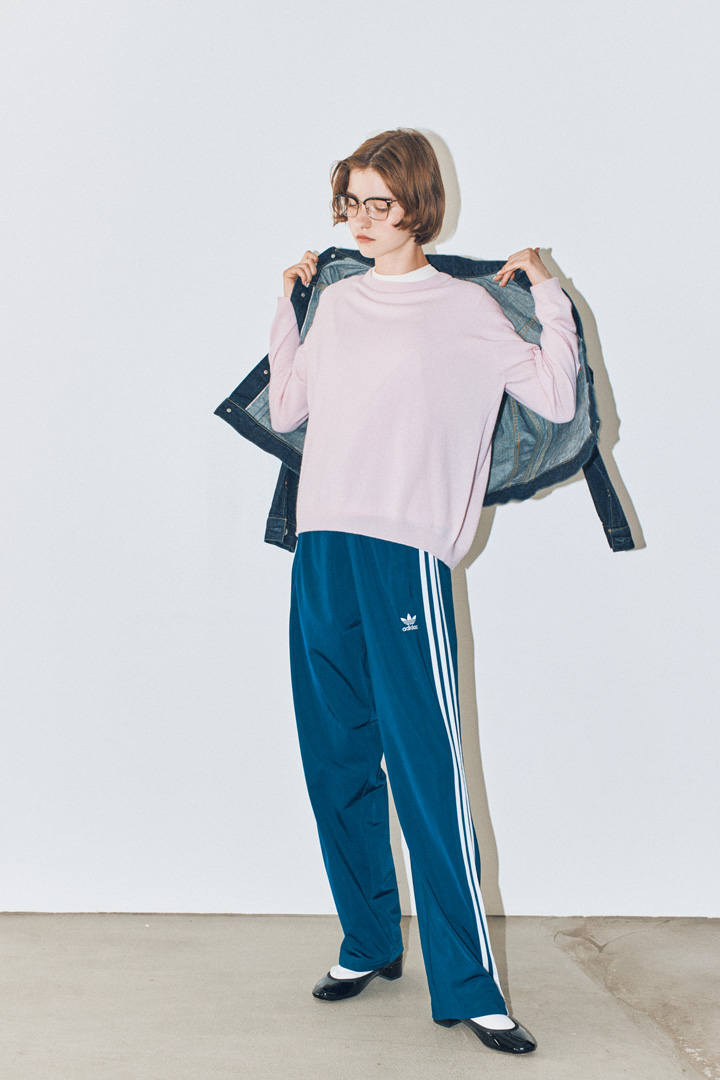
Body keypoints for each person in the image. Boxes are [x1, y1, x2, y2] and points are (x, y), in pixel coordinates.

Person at [266, 128, 580, 1056]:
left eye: (380, 202)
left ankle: (472, 987)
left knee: (426, 772)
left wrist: (549, 293)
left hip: (405, 554)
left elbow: (557, 399)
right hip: (322, 546)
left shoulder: (467, 310)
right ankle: (368, 941)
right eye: (351, 203)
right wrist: (286, 307)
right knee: (336, 758)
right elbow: (288, 408)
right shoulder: (337, 304)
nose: (362, 221)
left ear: (419, 206)